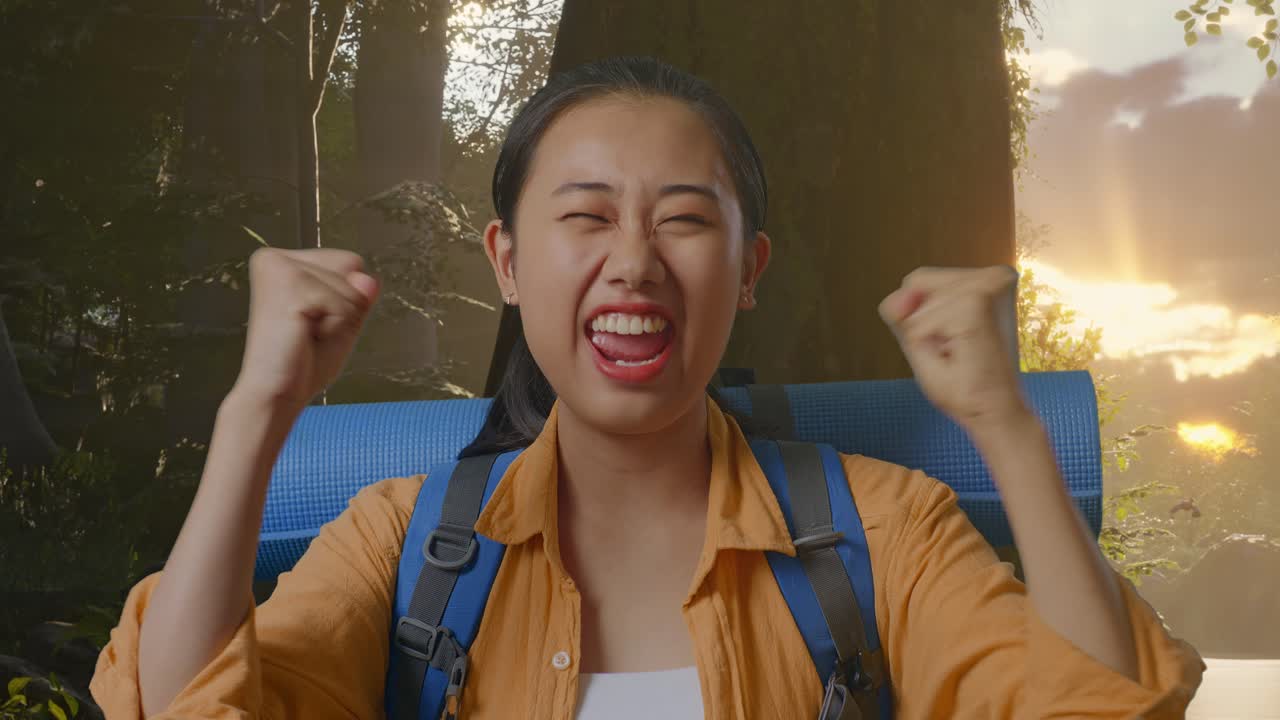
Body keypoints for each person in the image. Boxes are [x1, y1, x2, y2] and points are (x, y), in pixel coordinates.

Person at [90, 56, 1204, 719]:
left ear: (749, 269)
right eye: (582, 217)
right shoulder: (402, 545)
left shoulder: (881, 530)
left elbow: (1096, 709)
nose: (632, 261)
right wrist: (256, 416)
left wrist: (1003, 426)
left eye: (682, 218)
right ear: (508, 264)